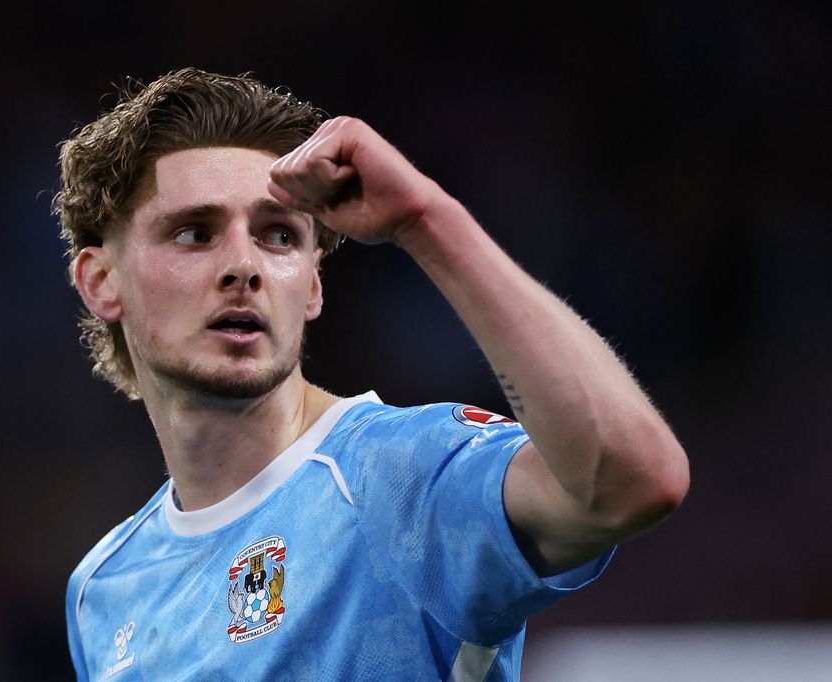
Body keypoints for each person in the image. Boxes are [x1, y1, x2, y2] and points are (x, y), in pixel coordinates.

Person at [53, 68, 689, 681]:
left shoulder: (402, 477)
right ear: (101, 281)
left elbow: (634, 484)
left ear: (312, 286)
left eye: (278, 236)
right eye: (195, 233)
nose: (244, 265)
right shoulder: (103, 588)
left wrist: (424, 221)